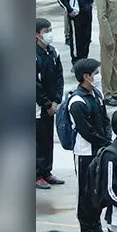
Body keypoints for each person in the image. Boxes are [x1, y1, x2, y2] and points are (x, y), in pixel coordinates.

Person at [68, 59, 110, 232]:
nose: (98, 76)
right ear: (86, 76)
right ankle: (86, 231)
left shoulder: (96, 94)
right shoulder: (77, 102)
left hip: (99, 148)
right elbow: (86, 131)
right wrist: (104, 142)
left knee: (97, 189)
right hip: (85, 152)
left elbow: (105, 119)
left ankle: (96, 226)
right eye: (96, 73)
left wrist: (107, 139)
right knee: (85, 191)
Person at [35, 19, 65, 190]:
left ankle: (46, 171)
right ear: (36, 35)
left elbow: (59, 77)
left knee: (48, 138)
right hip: (38, 106)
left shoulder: (53, 53)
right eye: (46, 31)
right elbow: (34, 84)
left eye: (50, 30)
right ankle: (36, 174)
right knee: (37, 139)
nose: (49, 33)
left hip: (51, 105)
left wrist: (56, 100)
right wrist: (46, 104)